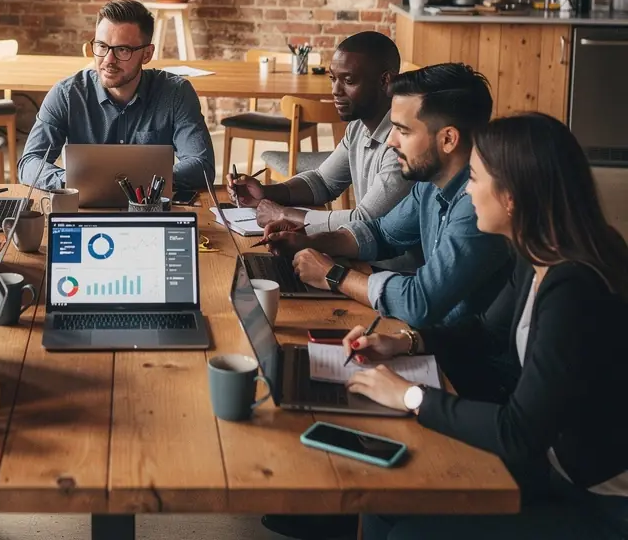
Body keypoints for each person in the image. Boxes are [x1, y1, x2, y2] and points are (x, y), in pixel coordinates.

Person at [347, 113, 628, 540]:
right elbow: (486, 331)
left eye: (475, 179)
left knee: (410, 534)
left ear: (511, 196)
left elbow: (518, 433)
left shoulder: (575, 286)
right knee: (386, 495)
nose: (469, 192)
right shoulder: (539, 252)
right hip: (555, 466)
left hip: (598, 500)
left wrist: (408, 395)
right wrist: (405, 342)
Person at [261, 63, 511, 328]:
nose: (391, 141)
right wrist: (310, 241)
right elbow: (383, 233)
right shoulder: (431, 181)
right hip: (422, 336)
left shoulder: (479, 207)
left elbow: (419, 302)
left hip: (456, 359)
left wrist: (333, 275)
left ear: (448, 139)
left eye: (403, 131)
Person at [18, 0, 215, 202]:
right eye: (102, 46)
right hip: (84, 212)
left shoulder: (176, 93)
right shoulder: (67, 94)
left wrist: (142, 183)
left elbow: (201, 165)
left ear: (147, 54)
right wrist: (71, 182)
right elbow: (30, 163)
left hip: (148, 212)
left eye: (122, 50)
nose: (108, 60)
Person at [228, 31, 410, 237]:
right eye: (333, 78)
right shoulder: (358, 127)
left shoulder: (404, 144)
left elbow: (364, 221)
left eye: (348, 81)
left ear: (385, 81)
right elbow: (323, 182)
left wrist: (283, 214)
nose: (335, 90)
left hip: (388, 267)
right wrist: (265, 193)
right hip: (360, 254)